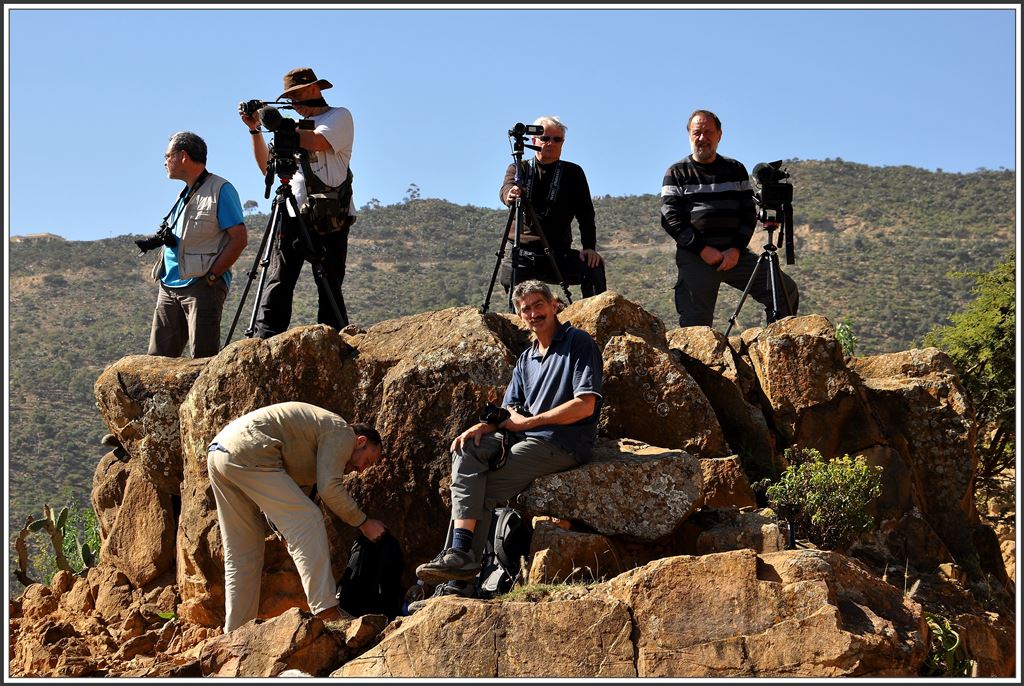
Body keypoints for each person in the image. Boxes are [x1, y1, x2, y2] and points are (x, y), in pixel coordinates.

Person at [411, 280, 602, 608]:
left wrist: (530, 423)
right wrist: (484, 426)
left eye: (538, 304)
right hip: (523, 436)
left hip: (562, 442)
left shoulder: (578, 343)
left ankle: (458, 579)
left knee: (481, 489)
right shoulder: (526, 358)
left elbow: (585, 405)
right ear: (519, 315)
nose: (533, 313)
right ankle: (458, 557)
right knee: (465, 448)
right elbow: (508, 410)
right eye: (525, 308)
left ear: (554, 304)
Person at [206, 401, 386, 633]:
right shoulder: (342, 432)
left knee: (243, 553)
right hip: (249, 448)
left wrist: (286, 533)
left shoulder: (308, 451)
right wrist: (364, 523)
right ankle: (328, 612)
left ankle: (235, 633)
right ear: (360, 441)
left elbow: (287, 507)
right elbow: (329, 488)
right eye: (367, 461)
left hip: (220, 453)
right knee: (309, 519)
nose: (361, 470)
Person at [239, 66, 355, 337]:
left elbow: (317, 141)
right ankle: (265, 337)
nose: (294, 103)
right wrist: (256, 130)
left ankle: (332, 336)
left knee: (328, 280)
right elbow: (266, 167)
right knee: (279, 278)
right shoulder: (288, 130)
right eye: (290, 98)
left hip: (329, 214)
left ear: (315, 89)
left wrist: (281, 125)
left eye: (297, 94)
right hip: (292, 211)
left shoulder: (339, 116)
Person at [660, 109, 799, 328]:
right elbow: (670, 218)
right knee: (696, 326)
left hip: (735, 256)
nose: (702, 138)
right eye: (697, 132)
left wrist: (735, 250)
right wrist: (702, 250)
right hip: (696, 257)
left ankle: (776, 346)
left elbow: (747, 213)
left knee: (785, 291)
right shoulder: (677, 172)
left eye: (708, 132)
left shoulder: (735, 169)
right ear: (689, 135)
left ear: (719, 135)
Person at [147, 131, 248, 358]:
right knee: (157, 360)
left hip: (201, 286)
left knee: (202, 360)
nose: (165, 162)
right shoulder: (184, 194)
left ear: (183, 156)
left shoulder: (221, 189)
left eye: (167, 155)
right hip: (169, 285)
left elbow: (240, 238)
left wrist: (212, 277)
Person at [499, 116, 607, 300]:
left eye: (557, 139)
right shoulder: (520, 168)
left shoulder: (573, 173)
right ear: (534, 140)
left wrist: (589, 247)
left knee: (594, 266)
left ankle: (596, 317)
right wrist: (510, 194)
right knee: (518, 300)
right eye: (545, 138)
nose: (551, 143)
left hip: (558, 254)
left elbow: (586, 214)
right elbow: (506, 190)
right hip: (522, 252)